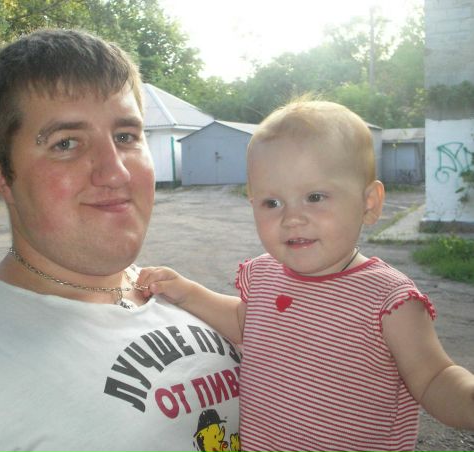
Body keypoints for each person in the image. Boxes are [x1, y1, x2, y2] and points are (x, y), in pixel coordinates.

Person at [0, 29, 240, 452]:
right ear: (2, 177)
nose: (116, 172)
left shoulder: (190, 299)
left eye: (125, 136)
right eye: (66, 143)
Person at [138, 99, 474, 451]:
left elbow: (434, 378)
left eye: (314, 196)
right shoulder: (263, 274)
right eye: (272, 203)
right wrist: (188, 293)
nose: (292, 218)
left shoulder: (388, 299)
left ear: (369, 203)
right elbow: (243, 321)